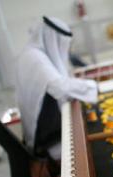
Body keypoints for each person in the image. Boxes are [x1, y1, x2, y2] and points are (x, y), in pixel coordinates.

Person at [15, 16, 98, 162]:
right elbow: (60, 87)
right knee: (93, 147)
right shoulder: (35, 57)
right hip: (47, 137)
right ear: (52, 39)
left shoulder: (32, 53)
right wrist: (92, 86)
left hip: (47, 127)